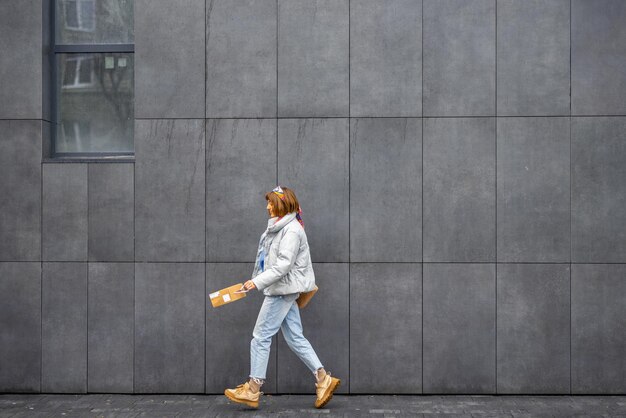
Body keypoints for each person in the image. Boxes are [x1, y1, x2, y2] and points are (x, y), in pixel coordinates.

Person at [224, 185, 340, 409]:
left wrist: (256, 282)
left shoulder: (292, 230)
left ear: (282, 204)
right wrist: (256, 279)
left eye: (271, 203)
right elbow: (267, 260)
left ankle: (253, 388)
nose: (267, 207)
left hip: (282, 290)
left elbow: (283, 265)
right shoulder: (279, 228)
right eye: (267, 203)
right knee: (295, 337)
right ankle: (323, 378)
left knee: (260, 337)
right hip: (283, 289)